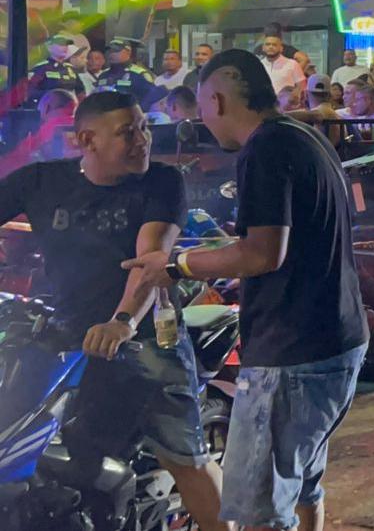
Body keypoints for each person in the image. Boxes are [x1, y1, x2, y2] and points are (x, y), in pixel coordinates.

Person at [122, 50, 368, 531]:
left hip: (290, 352)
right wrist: (222, 255)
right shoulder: (304, 137)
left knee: (260, 512)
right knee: (301, 485)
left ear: (216, 98)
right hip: (337, 339)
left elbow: (261, 254)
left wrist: (177, 265)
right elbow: (283, 244)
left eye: (201, 105)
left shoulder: (265, 150)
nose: (201, 117)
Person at [0, 92, 226, 531]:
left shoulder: (160, 182)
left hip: (142, 334)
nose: (143, 139)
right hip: (65, 332)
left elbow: (150, 261)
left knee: (184, 457)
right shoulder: (41, 182)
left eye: (142, 127)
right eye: (128, 132)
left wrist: (122, 321)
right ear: (87, 140)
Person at [96, 39, 167, 110]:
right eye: (110, 51)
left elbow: (151, 99)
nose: (111, 54)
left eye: (116, 50)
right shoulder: (103, 75)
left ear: (128, 52)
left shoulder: (139, 74)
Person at [28, 35, 88, 104]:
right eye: (61, 44)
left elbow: (80, 91)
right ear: (49, 47)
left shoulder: (70, 68)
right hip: (49, 108)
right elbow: (30, 92)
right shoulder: (41, 68)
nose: (65, 47)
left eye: (66, 45)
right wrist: (52, 95)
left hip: (70, 109)